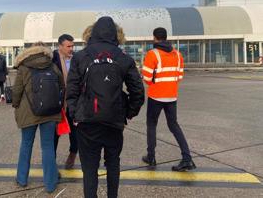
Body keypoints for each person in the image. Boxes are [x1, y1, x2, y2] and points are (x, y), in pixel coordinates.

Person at [67, 17, 145, 198]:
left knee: (89, 169)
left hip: (87, 122)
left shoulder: (80, 57)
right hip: (114, 122)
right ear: (116, 34)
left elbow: (71, 91)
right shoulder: (123, 58)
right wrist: (128, 113)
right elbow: (138, 93)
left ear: (92, 33)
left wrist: (75, 115)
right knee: (113, 165)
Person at [12, 42, 65, 193]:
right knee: (47, 146)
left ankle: (22, 179)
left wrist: (16, 105)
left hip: (28, 113)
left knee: (26, 144)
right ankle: (50, 183)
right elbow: (61, 86)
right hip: (50, 112)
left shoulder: (23, 67)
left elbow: (17, 91)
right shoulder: (52, 66)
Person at [141, 27, 196, 171]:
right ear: (166, 37)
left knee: (152, 125)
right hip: (171, 97)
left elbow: (147, 78)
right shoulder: (178, 55)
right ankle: (187, 158)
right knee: (174, 126)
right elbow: (179, 77)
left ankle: (151, 157)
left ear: (155, 38)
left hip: (155, 97)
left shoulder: (152, 54)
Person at [52, 34, 78, 169]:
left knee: (75, 133)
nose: (71, 49)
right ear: (60, 46)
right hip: (58, 104)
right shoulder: (52, 60)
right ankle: (52, 159)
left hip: (73, 103)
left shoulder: (77, 60)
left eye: (72, 46)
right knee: (55, 134)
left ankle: (72, 155)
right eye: (68, 46)